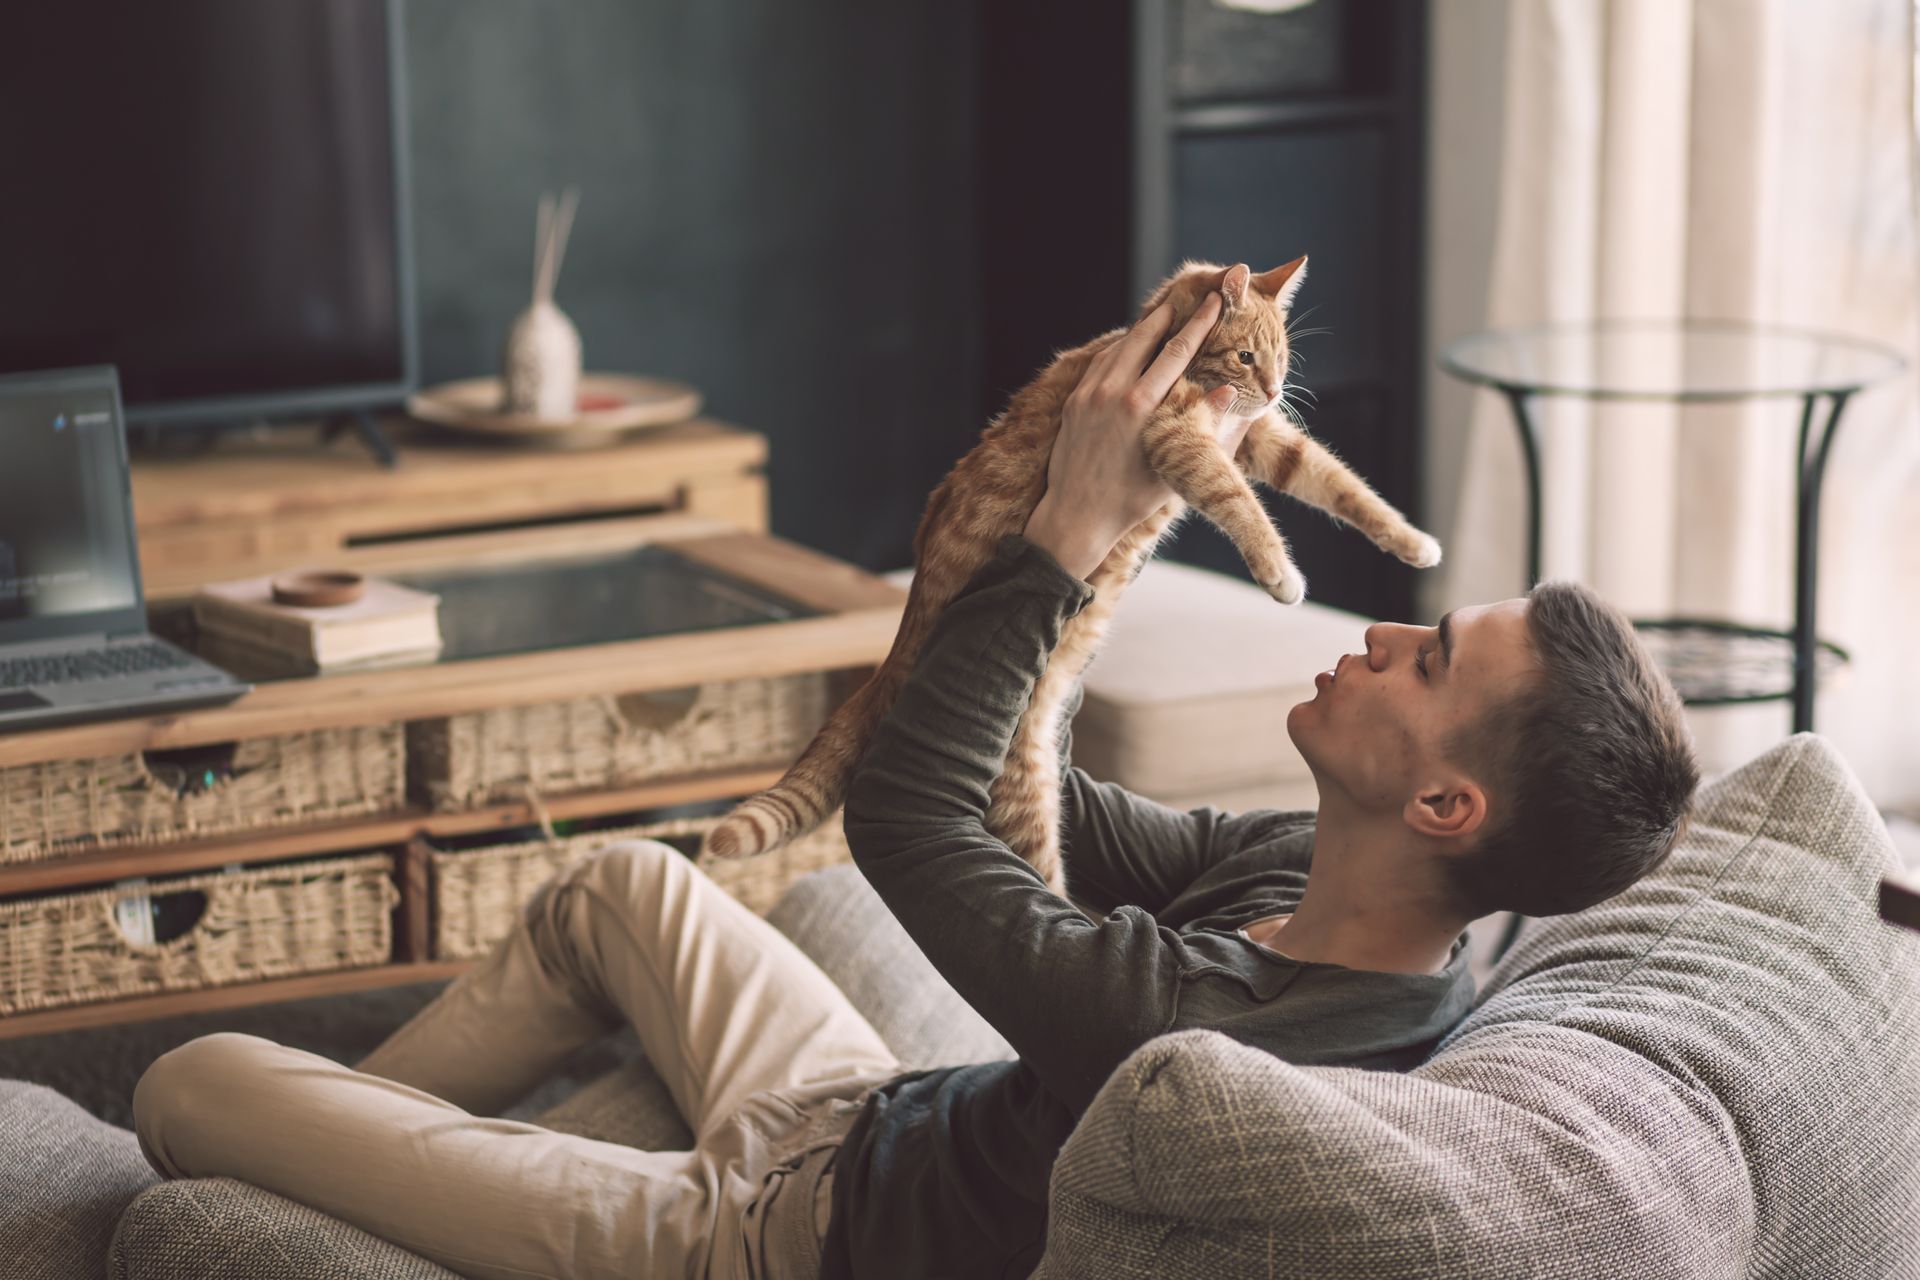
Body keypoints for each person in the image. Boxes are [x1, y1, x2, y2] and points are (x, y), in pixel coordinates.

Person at [131, 293, 1700, 1280]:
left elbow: (905, 820)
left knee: (189, 1081)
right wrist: (1055, 565)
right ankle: (375, 1177)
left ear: (1447, 810)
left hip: (766, 1241)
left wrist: (1062, 547)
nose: (1380, 635)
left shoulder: (1214, 1047)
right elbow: (1026, 796)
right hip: (861, 1113)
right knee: (623, 884)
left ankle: (344, 1178)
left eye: (1426, 663)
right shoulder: (1319, 877)